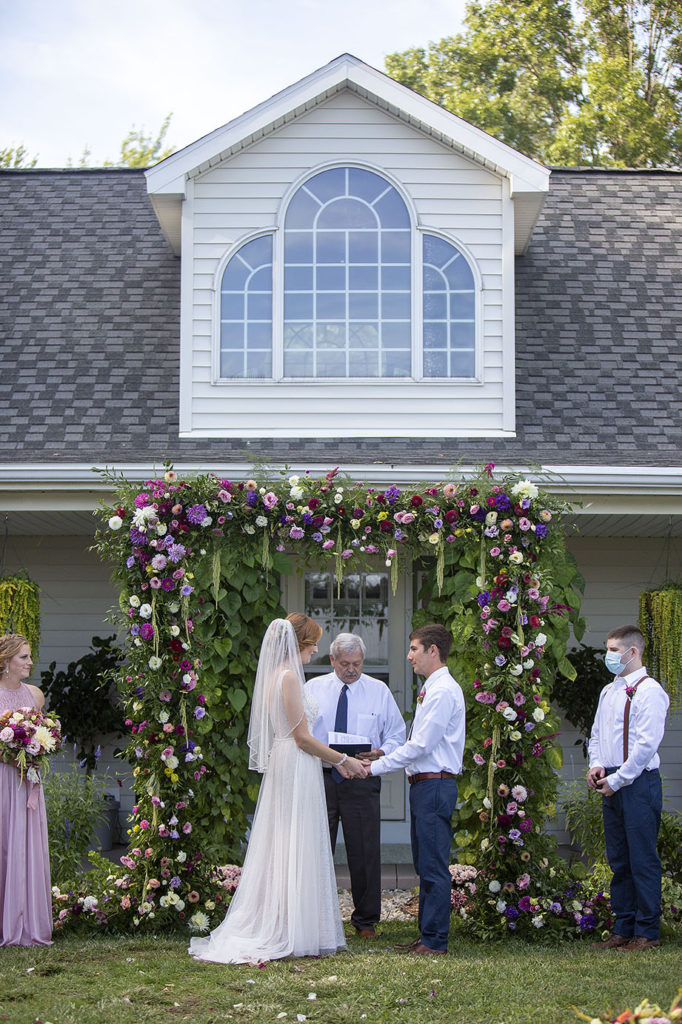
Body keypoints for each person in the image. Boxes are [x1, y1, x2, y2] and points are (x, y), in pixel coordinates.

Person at [189, 613, 369, 964]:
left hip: (291, 762)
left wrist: (331, 761)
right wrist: (342, 760)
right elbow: (302, 738)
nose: (317, 650)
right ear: (298, 644)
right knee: (294, 841)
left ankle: (295, 924)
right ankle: (289, 929)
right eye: (313, 643)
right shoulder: (287, 678)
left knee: (290, 841)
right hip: (295, 763)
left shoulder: (277, 676)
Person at [368, 624, 464, 956]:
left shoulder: (442, 691)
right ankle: (426, 935)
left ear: (432, 650)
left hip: (435, 786)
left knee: (434, 864)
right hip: (424, 786)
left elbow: (422, 745)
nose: (408, 656)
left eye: (413, 649)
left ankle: (435, 940)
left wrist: (375, 768)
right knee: (424, 863)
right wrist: (382, 755)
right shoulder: (432, 688)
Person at [306, 633, 406, 938]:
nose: (352, 669)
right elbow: (303, 734)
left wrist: (380, 753)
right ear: (332, 660)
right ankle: (317, 918)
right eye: (345, 664)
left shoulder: (378, 691)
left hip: (362, 780)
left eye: (358, 664)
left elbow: (397, 737)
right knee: (316, 850)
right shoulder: (313, 689)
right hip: (321, 778)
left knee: (364, 850)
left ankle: (365, 921)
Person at [588, 624, 669, 951]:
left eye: (614, 650)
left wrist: (618, 779)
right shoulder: (609, 691)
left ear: (632, 652)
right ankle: (623, 927)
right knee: (619, 858)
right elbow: (596, 734)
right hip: (610, 780)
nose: (609, 656)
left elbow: (646, 745)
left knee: (642, 858)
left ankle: (646, 932)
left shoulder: (650, 691)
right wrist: (596, 764)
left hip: (637, 783)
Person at [0, 634, 52, 947]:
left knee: (26, 845)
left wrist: (38, 746)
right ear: (5, 662)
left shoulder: (35, 696)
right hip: (3, 779)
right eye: (23, 657)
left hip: (28, 782)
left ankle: (27, 921)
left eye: (30, 656)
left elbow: (44, 734)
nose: (30, 663)